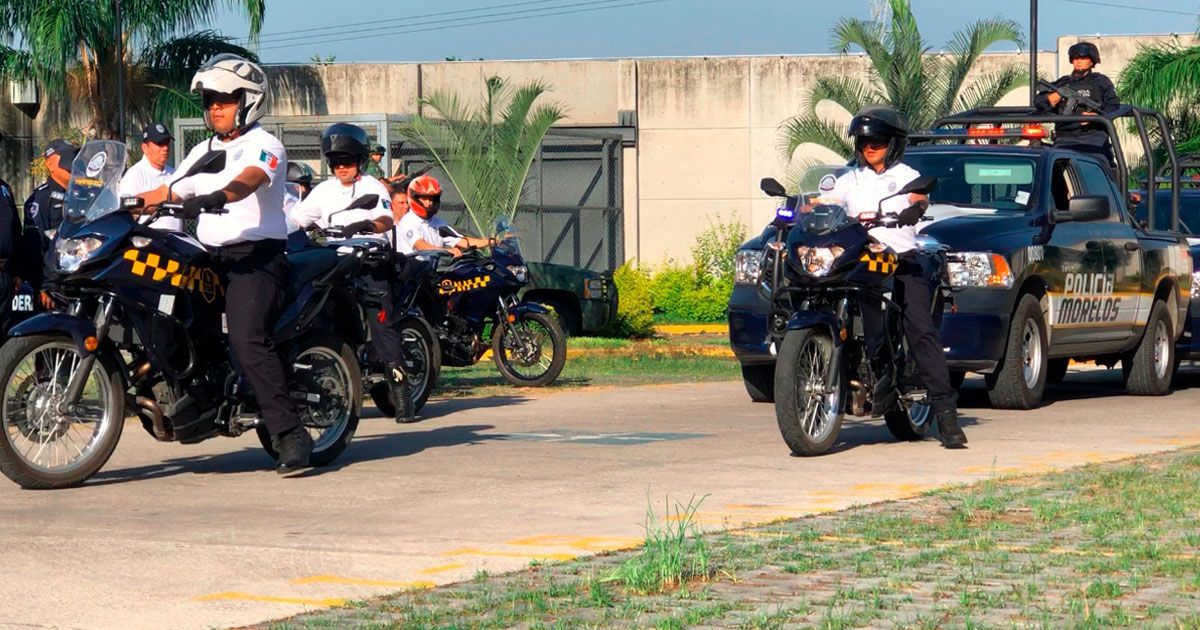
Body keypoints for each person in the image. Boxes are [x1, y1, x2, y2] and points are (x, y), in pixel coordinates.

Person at [137, 53, 311, 473]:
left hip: (257, 260)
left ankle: (291, 434)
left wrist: (220, 196)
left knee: (247, 338)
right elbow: (170, 190)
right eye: (210, 98)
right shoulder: (202, 151)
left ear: (248, 100)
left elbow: (249, 178)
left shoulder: (266, 146)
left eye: (225, 97)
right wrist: (129, 205)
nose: (215, 106)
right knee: (164, 314)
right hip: (209, 259)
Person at [824, 105, 967, 449]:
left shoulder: (906, 175)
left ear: (893, 144)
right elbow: (823, 202)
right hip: (860, 260)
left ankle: (947, 417)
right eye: (864, 141)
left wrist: (912, 210)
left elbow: (919, 199)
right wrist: (803, 209)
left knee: (919, 329)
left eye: (877, 141)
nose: (869, 147)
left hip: (901, 259)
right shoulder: (849, 180)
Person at [291, 123, 416, 423]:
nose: (341, 167)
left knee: (382, 327)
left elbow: (386, 218)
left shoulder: (372, 187)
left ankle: (402, 398)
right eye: (335, 162)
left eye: (346, 161)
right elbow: (295, 220)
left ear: (359, 160)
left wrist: (367, 226)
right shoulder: (323, 191)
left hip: (370, 262)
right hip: (334, 263)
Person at [1035, 41, 1120, 165]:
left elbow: (1113, 106)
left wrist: (1097, 117)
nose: (1078, 61)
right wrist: (1051, 98)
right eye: (1075, 58)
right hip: (1065, 139)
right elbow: (1038, 103)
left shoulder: (1101, 82)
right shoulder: (1063, 83)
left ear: (1092, 61)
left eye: (1083, 58)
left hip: (1093, 139)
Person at [21, 139, 77, 309]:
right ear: (51, 163)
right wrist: (43, 286)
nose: (73, 163)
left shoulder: (82, 196)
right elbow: (34, 247)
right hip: (56, 287)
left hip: (82, 281)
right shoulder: (41, 199)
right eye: (68, 158)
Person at [393, 175, 495, 256]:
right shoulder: (408, 221)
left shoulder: (437, 222)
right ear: (414, 197)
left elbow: (462, 241)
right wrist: (447, 251)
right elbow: (420, 245)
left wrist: (491, 241)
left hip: (431, 272)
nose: (430, 203)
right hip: (412, 275)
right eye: (424, 198)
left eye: (433, 199)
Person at [119, 123, 181, 231]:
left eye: (167, 143)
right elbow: (126, 211)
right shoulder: (135, 174)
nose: (165, 148)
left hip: (175, 240)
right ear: (144, 147)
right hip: (149, 242)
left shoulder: (174, 173)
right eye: (159, 143)